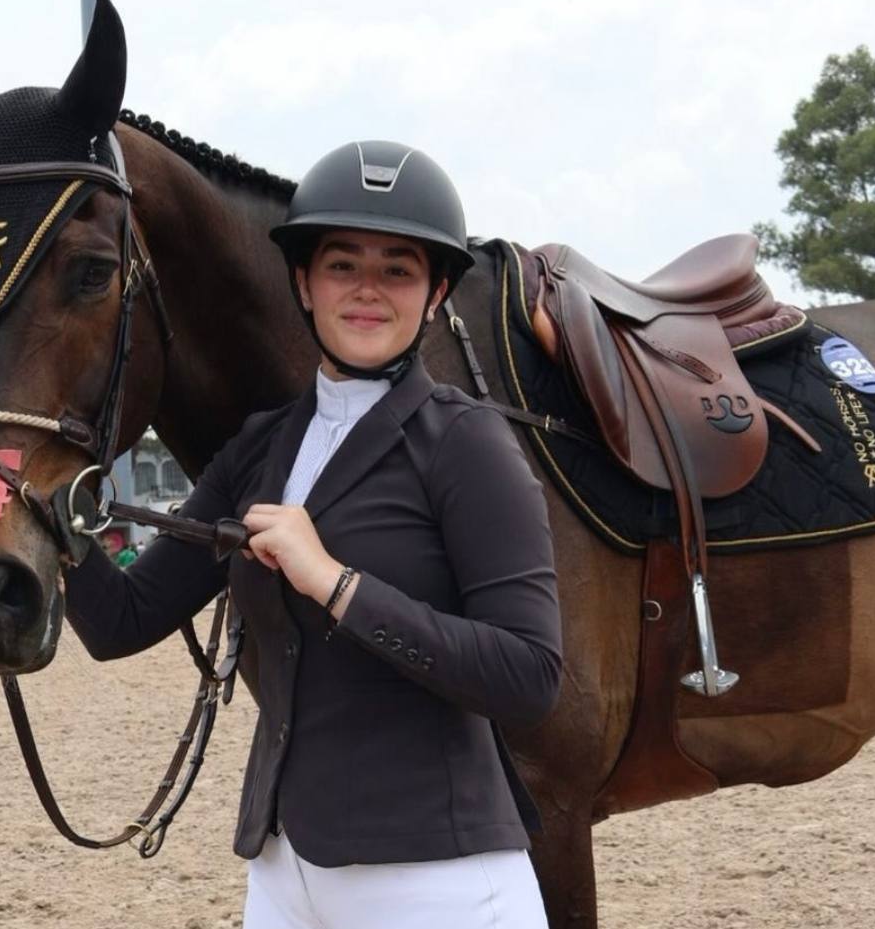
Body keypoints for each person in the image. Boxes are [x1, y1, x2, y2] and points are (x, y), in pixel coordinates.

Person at [65, 141, 562, 929]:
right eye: (342, 265)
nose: (367, 289)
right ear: (303, 280)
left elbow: (529, 676)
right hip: (283, 872)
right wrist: (39, 506)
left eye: (398, 268)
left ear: (435, 293)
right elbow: (120, 620)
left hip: (438, 878)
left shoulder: (469, 443)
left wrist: (337, 584)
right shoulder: (262, 448)